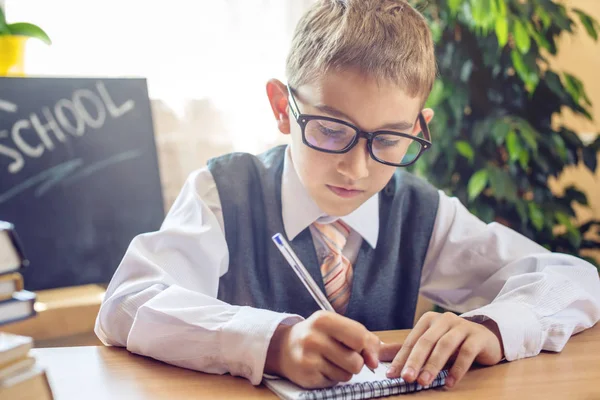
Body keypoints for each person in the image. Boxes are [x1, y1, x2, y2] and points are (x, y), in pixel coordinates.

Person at [95, 0, 600, 390]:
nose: (356, 168)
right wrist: (274, 342)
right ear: (280, 107)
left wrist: (494, 326)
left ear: (418, 127)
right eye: (331, 130)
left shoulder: (422, 213)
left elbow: (575, 278)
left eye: (388, 139)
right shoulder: (224, 194)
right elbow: (126, 304)